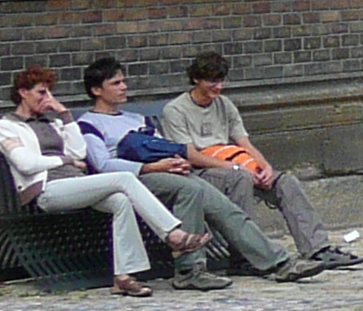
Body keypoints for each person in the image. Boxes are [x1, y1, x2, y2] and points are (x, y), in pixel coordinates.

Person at [75, 57, 320, 284]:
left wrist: (175, 160)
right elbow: (102, 164)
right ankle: (189, 270)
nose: (124, 87)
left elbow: (163, 146)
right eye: (115, 83)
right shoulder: (89, 124)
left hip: (168, 172)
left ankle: (278, 262)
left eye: (123, 81)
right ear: (97, 90)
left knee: (224, 208)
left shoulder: (137, 119)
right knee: (190, 189)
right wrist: (151, 166)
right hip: (133, 179)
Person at [0, 65, 213, 298]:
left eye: (49, 93)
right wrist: (65, 159)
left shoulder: (53, 122)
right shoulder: (7, 127)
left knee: (120, 200)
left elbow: (79, 152)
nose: (47, 99)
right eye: (41, 93)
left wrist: (65, 116)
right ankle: (172, 234)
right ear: (23, 93)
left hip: (77, 183)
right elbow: (26, 164)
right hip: (46, 190)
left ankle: (124, 277)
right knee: (124, 179)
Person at [157, 53, 362, 269]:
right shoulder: (176, 110)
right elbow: (190, 154)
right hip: (201, 171)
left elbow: (244, 143)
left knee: (285, 182)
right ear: (196, 79)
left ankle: (318, 248)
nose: (217, 87)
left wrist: (265, 167)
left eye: (221, 81)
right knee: (239, 178)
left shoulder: (224, 105)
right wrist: (234, 167)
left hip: (233, 162)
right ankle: (245, 255)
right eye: (211, 81)